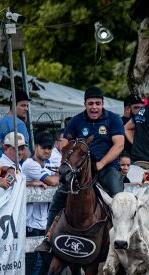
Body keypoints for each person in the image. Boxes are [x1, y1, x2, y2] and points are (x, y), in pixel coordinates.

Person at [37, 86, 125, 252]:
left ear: (102, 104)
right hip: (79, 171)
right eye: (90, 103)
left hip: (106, 168)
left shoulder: (113, 119)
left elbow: (119, 144)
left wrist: (100, 164)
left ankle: (121, 240)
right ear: (85, 104)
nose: (94, 107)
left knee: (118, 199)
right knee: (59, 197)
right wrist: (67, 148)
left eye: (97, 103)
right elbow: (64, 142)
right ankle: (48, 239)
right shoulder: (77, 121)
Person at [21, 131, 60, 275]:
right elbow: (52, 181)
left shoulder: (45, 165)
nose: (47, 151)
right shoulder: (31, 164)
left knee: (45, 261)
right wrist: (61, 174)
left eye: (49, 148)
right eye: (43, 147)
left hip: (43, 222)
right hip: (31, 222)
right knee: (34, 261)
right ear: (36, 147)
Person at [0, 89, 30, 159]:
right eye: (23, 105)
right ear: (13, 105)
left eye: (27, 106)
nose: (26, 109)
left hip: (2, 166)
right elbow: (25, 153)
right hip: (17, 167)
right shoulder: (19, 124)